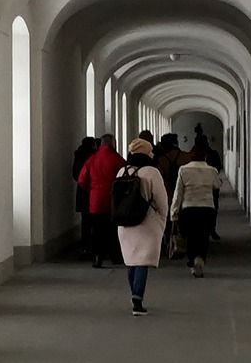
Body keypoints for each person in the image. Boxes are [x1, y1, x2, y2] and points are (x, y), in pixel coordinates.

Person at [115, 136, 170, 315]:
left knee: (131, 260)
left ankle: (134, 295)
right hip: (147, 223)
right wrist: (162, 219)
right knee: (143, 262)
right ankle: (137, 300)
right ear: (146, 152)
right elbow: (162, 200)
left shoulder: (122, 171)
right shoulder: (151, 172)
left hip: (124, 222)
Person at [172, 142, 223, 277]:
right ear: (205, 157)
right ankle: (200, 258)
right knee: (204, 235)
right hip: (207, 208)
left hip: (189, 208)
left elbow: (178, 193)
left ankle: (192, 259)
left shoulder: (183, 170)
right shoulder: (212, 170)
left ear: (191, 156)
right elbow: (217, 185)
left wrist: (174, 211)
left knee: (191, 236)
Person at [78, 132, 125, 268]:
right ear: (112, 143)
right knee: (113, 230)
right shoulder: (117, 159)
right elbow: (125, 177)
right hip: (113, 201)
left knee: (96, 231)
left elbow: (82, 180)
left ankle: (97, 257)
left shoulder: (92, 159)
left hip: (96, 201)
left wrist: (92, 190)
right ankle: (115, 256)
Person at [154, 134, 184, 258]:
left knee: (166, 221)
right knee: (181, 219)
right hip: (183, 194)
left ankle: (168, 244)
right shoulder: (184, 157)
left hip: (167, 193)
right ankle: (181, 243)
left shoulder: (161, 160)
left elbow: (159, 178)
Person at [71, 135, 97, 259]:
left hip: (82, 192)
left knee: (85, 220)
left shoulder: (78, 155)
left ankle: (86, 247)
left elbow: (75, 175)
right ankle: (94, 245)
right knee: (95, 220)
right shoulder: (93, 157)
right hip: (94, 191)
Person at [205, 136, 224, 240]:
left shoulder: (192, 155)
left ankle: (211, 230)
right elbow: (218, 166)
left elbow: (218, 166)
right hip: (212, 186)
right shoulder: (214, 153)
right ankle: (212, 230)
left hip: (204, 187)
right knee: (213, 209)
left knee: (212, 209)